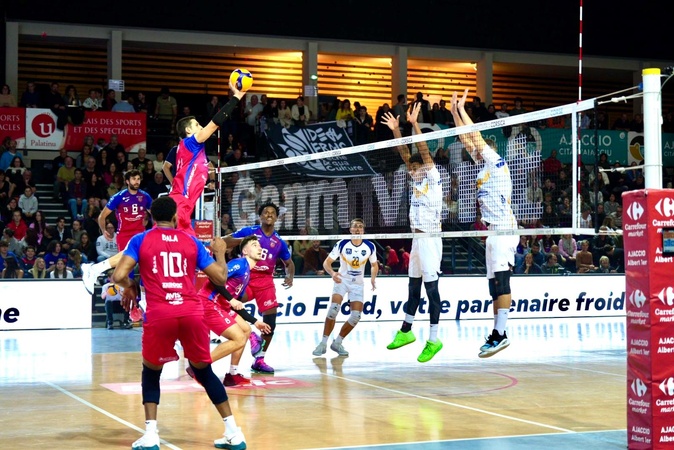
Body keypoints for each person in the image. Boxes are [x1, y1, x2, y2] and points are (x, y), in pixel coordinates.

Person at [111, 196, 247, 450]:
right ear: (175, 217)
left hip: (161, 314)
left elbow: (118, 275)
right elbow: (219, 277)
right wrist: (219, 253)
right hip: (192, 314)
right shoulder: (190, 241)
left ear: (150, 217)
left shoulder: (140, 240)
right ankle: (234, 432)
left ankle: (151, 435)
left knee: (151, 373)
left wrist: (131, 286)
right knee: (204, 372)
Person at [450, 88, 518, 358]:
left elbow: (475, 137)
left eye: (480, 151)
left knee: (502, 282)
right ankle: (496, 332)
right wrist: (453, 112)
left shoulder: (497, 163)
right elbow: (466, 140)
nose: (474, 151)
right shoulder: (482, 168)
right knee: (493, 286)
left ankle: (502, 334)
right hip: (492, 233)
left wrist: (464, 110)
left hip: (504, 230)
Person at [382, 102, 444, 363]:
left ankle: (434, 338)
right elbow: (405, 153)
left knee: (431, 290)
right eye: (410, 169)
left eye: (414, 168)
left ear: (424, 170)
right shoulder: (414, 176)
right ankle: (406, 330)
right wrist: (397, 130)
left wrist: (415, 124)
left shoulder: (433, 179)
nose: (411, 171)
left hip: (430, 239)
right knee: (413, 287)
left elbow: (422, 151)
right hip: (417, 240)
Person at [189, 235, 271, 387]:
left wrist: (255, 322)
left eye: (259, 245)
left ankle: (232, 375)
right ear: (245, 251)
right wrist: (230, 299)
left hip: (221, 306)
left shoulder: (247, 273)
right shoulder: (239, 264)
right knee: (238, 338)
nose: (259, 248)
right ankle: (198, 367)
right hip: (209, 303)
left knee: (246, 330)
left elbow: (236, 305)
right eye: (254, 245)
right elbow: (216, 278)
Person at [224, 201, 295, 374]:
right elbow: (225, 241)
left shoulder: (278, 241)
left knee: (270, 322)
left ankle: (260, 359)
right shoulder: (250, 232)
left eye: (273, 213)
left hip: (266, 282)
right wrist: (241, 242)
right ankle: (249, 335)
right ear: (260, 216)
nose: (269, 214)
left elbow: (289, 262)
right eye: (266, 212)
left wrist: (289, 275)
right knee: (228, 305)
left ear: (277, 217)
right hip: (246, 276)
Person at [170, 79, 248, 235]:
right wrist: (236, 98)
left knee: (193, 250)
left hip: (182, 204)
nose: (201, 127)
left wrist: (209, 177)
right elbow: (215, 122)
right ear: (188, 131)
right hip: (180, 205)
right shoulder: (191, 142)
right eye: (197, 125)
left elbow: (193, 172)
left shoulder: (187, 148)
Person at [312, 218, 378, 357]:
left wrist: (373, 279)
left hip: (357, 284)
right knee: (333, 309)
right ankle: (323, 343)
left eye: (360, 226)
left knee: (356, 316)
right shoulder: (342, 244)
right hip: (342, 281)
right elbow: (326, 263)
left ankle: (337, 343)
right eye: (355, 226)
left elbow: (374, 265)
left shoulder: (370, 246)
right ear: (350, 229)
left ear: (363, 230)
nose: (358, 229)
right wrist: (332, 273)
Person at [80, 169, 152, 294]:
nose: (137, 181)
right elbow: (102, 216)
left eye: (138, 179)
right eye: (134, 179)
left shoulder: (145, 196)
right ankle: (129, 299)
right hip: (124, 235)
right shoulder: (119, 197)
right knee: (127, 266)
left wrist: (155, 227)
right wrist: (103, 231)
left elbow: (156, 215)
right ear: (127, 181)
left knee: (147, 265)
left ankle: (143, 300)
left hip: (141, 234)